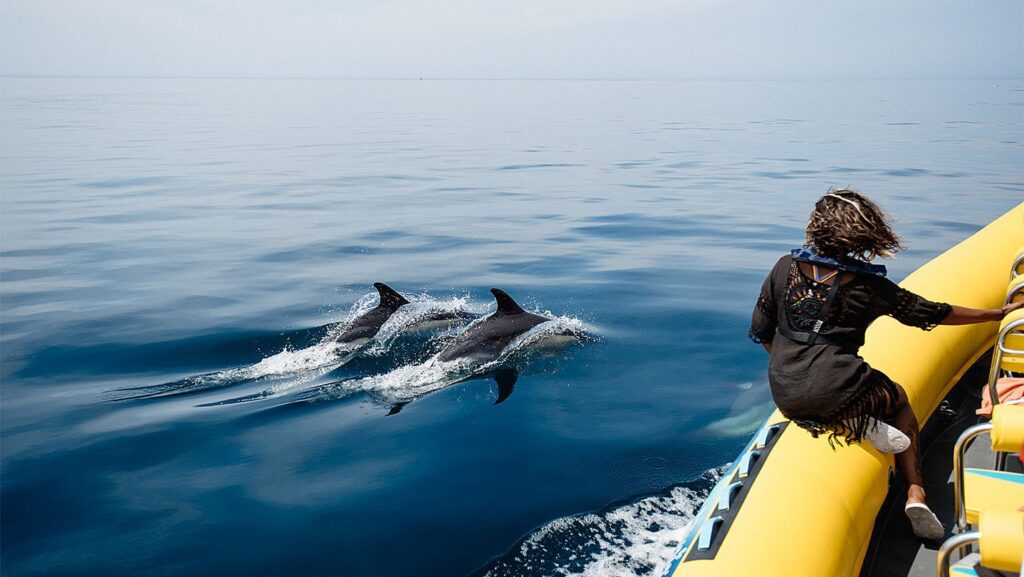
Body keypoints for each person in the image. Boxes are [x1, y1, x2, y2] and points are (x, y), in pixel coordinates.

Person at [749, 189, 1023, 540]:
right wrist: (997, 313)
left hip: (784, 390)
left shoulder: (783, 268)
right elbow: (931, 313)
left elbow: (761, 329)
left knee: (840, 392)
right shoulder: (869, 286)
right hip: (837, 388)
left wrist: (794, 370)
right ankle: (915, 492)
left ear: (817, 228)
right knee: (899, 399)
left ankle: (852, 419)